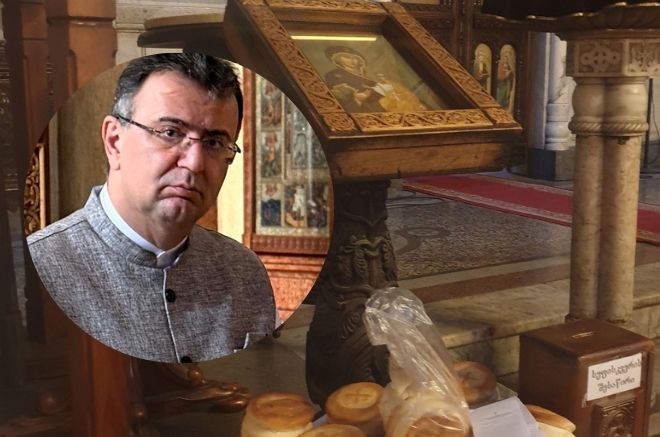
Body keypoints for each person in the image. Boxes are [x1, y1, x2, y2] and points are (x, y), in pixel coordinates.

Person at [27, 53, 276, 363]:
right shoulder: (35, 273)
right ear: (114, 141)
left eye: (213, 142)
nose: (194, 163)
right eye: (170, 133)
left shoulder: (244, 272)